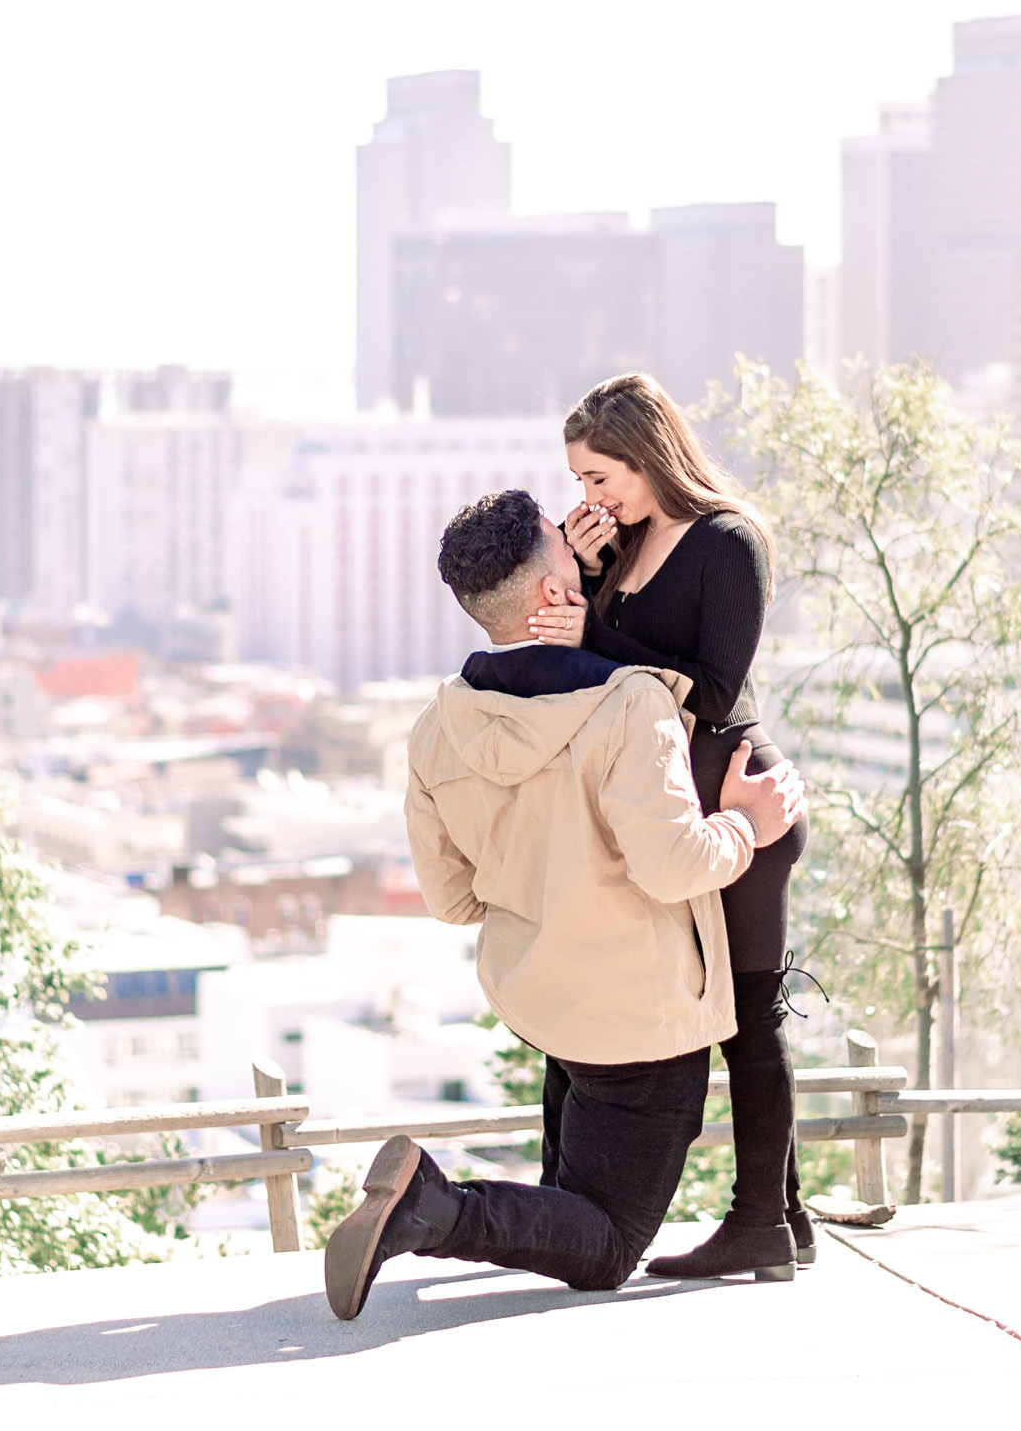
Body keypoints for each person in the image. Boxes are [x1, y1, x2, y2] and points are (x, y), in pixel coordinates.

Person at [323, 489, 806, 1318]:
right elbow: (672, 866)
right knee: (612, 1241)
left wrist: (537, 882)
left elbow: (448, 897)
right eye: (566, 549)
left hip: (539, 1001)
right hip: (640, 1020)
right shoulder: (631, 705)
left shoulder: (439, 724)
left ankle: (445, 1205)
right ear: (553, 595)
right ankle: (431, 1208)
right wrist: (744, 823)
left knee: (574, 1196)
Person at [526, 371, 814, 1281]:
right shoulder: (634, 543)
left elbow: (712, 687)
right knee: (730, 1009)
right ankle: (787, 1218)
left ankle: (758, 1223)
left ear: (650, 458)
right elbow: (603, 674)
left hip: (738, 799)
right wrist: (586, 574)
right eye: (579, 483)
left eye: (601, 478)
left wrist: (590, 636)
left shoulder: (729, 542)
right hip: (676, 805)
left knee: (749, 1018)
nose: (590, 498)